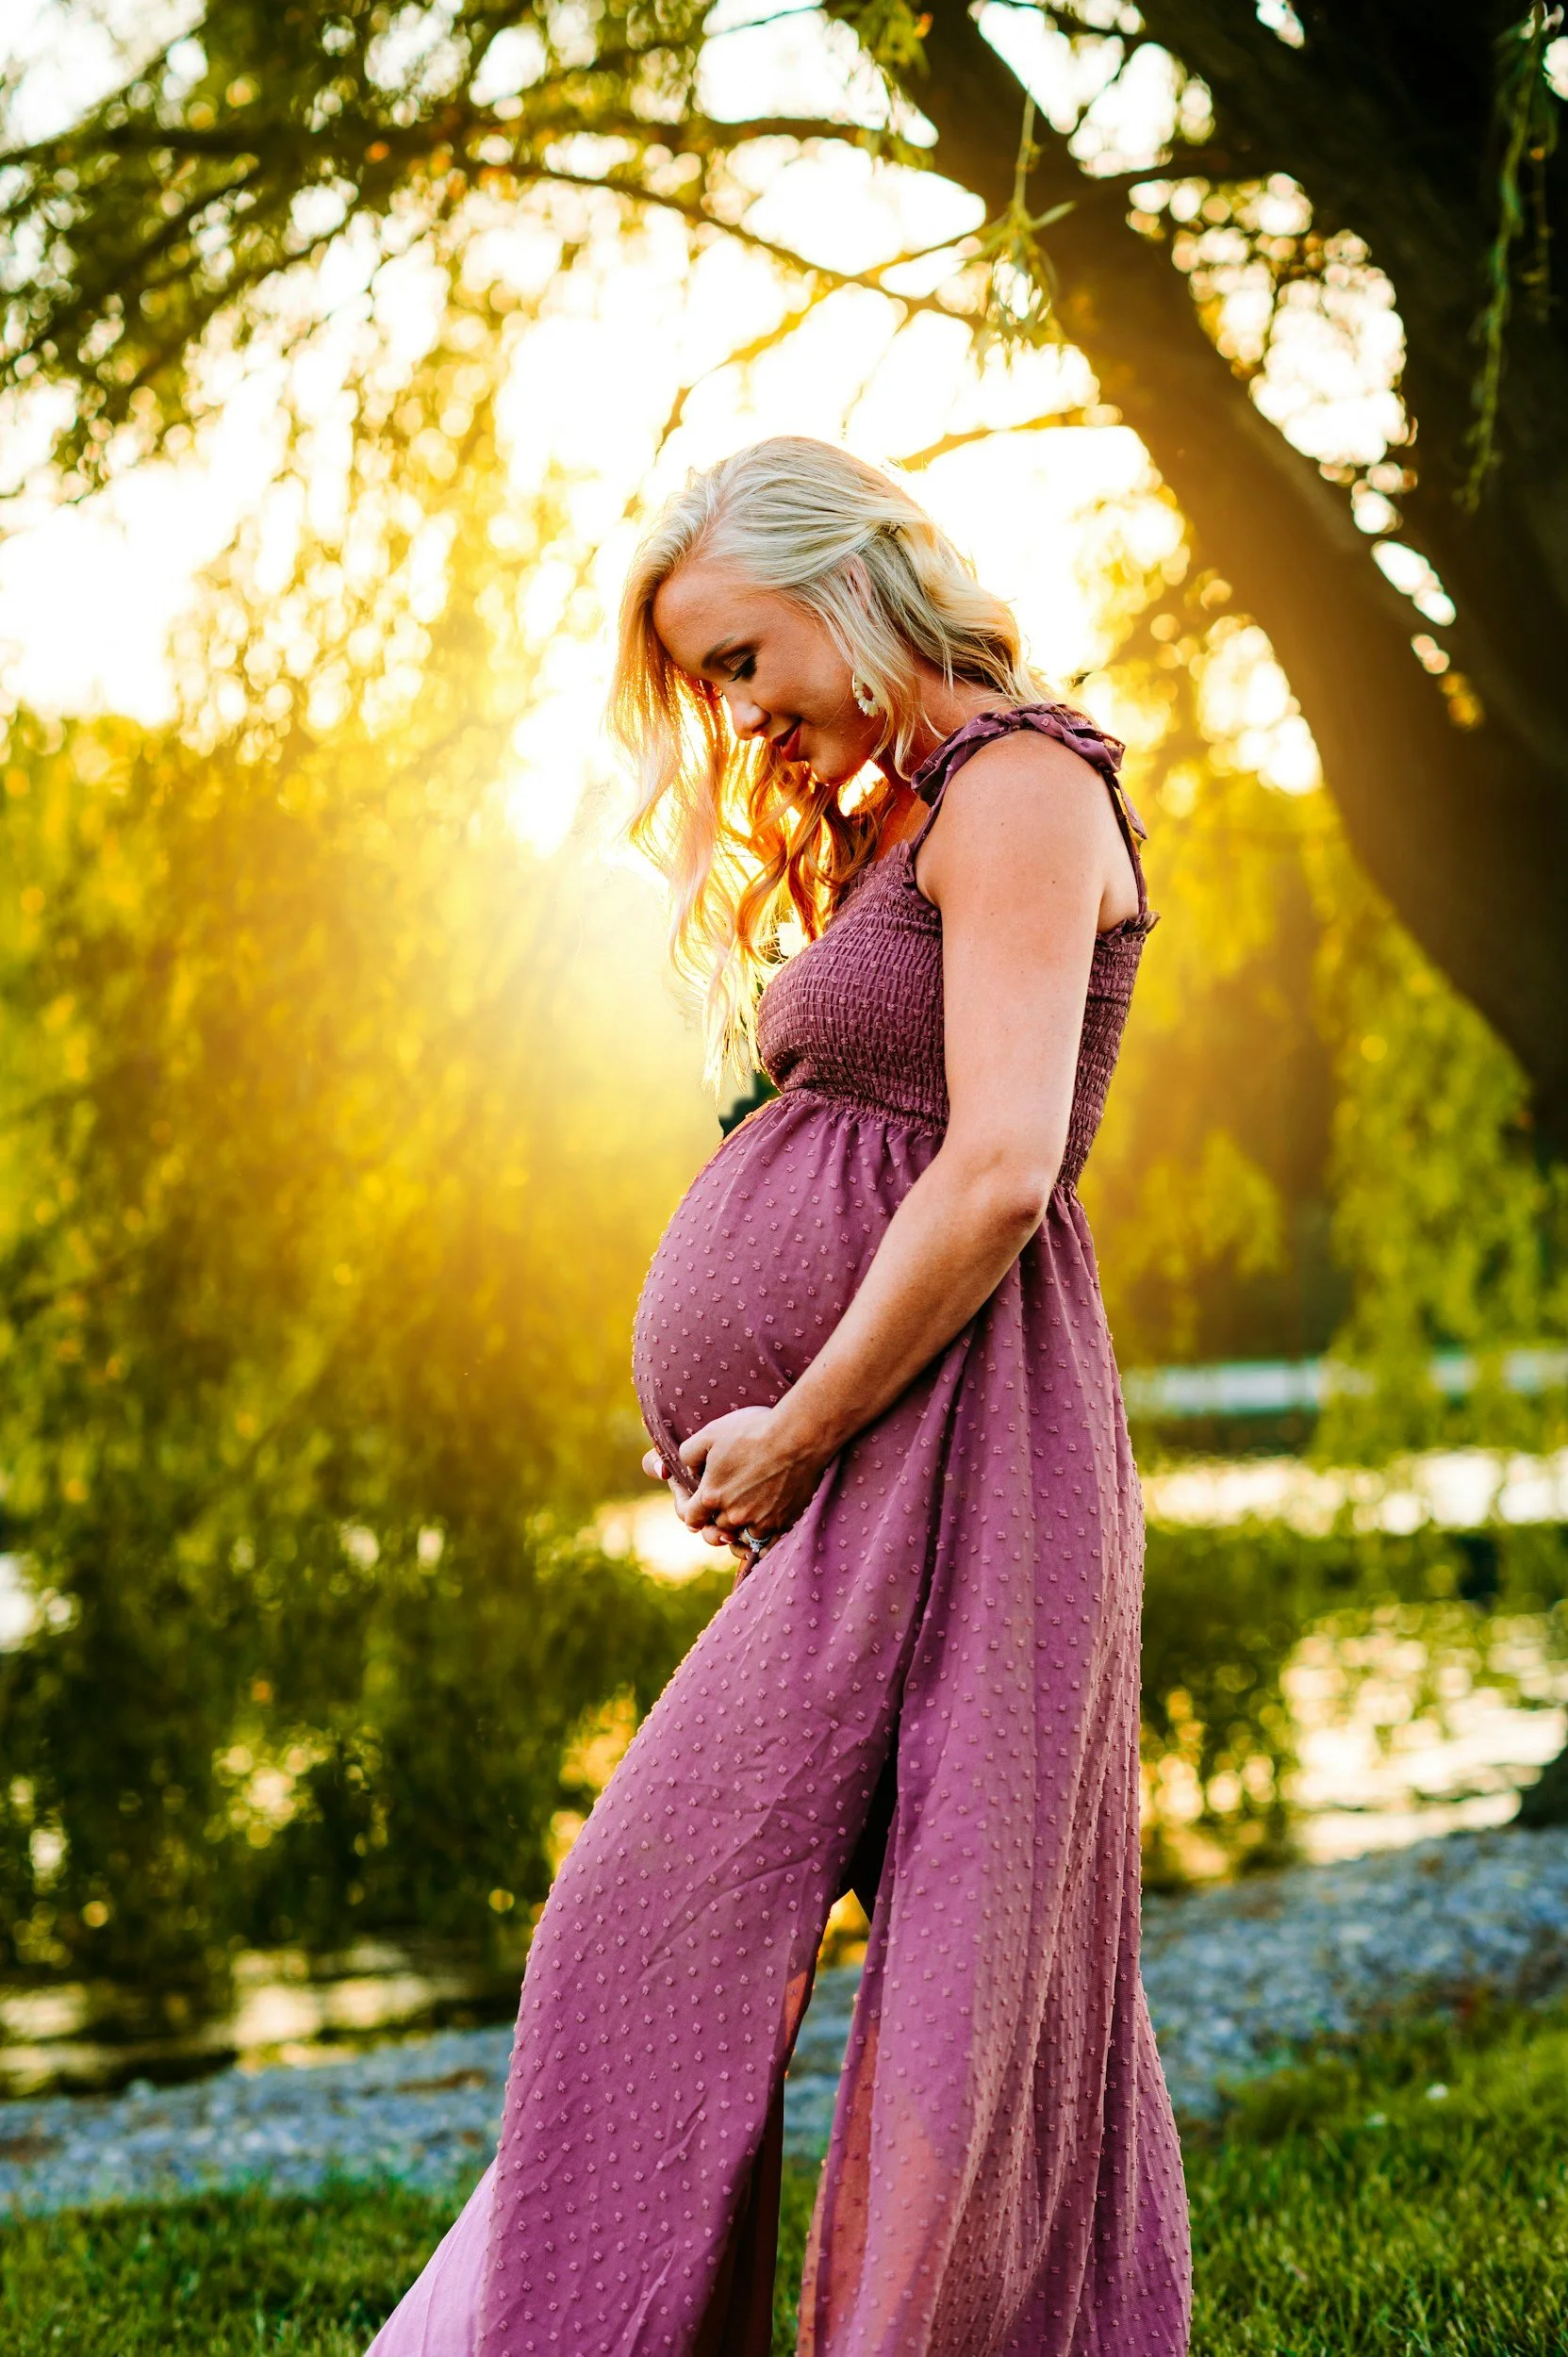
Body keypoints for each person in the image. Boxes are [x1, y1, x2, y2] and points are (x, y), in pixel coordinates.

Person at [367, 437, 1191, 2356]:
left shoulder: (1026, 791)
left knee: (969, 2003)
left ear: (848, 586)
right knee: (644, 1931)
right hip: (882, 1453)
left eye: (742, 659)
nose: (736, 713)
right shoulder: (917, 814)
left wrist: (801, 1415)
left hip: (972, 1442)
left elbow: (996, 1167)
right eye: (709, 681)